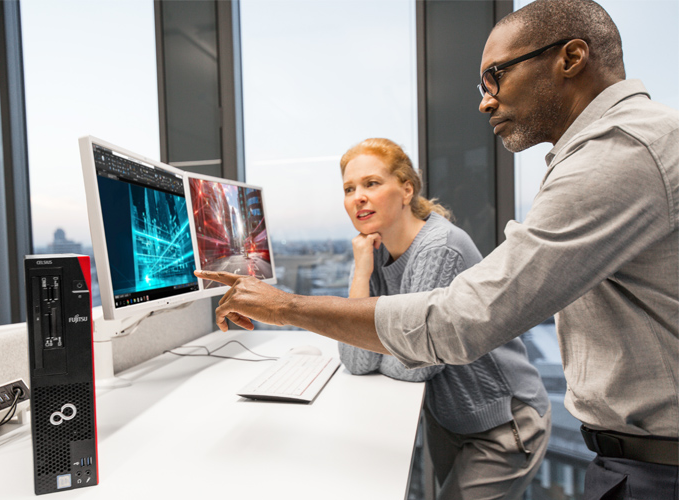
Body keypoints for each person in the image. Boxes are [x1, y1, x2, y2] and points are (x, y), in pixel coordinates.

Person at [196, 0, 679, 497]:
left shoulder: (620, 153)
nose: (485, 101)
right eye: (348, 188)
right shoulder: (602, 152)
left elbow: (450, 330)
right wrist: (360, 277)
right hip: (620, 452)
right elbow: (367, 358)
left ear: (571, 57)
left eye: (496, 76)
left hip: (628, 456)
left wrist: (288, 307)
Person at [338, 137, 550, 499]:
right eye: (349, 188)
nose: (358, 197)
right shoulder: (374, 252)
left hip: (501, 421)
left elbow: (418, 366)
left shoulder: (439, 247)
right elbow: (357, 360)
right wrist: (361, 270)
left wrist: (383, 351)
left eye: (372, 184)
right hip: (450, 419)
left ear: (406, 190)